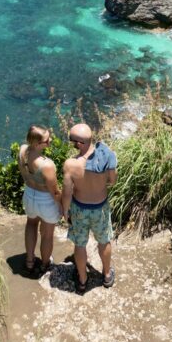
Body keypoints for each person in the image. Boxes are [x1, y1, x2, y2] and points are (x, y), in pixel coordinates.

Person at [61, 122, 117, 294]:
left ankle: (83, 280)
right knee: (104, 240)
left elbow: (67, 193)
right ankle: (107, 275)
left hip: (79, 210)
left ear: (79, 143)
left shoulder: (71, 165)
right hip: (100, 208)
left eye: (72, 141)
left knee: (80, 244)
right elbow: (113, 181)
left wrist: (65, 212)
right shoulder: (106, 157)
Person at [18, 124, 62, 275]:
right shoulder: (47, 165)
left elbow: (24, 174)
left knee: (31, 223)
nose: (50, 142)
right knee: (48, 234)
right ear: (37, 144)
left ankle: (29, 261)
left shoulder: (22, 150)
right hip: (45, 200)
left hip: (29, 194)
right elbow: (55, 192)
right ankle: (45, 264)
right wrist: (63, 206)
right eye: (47, 140)